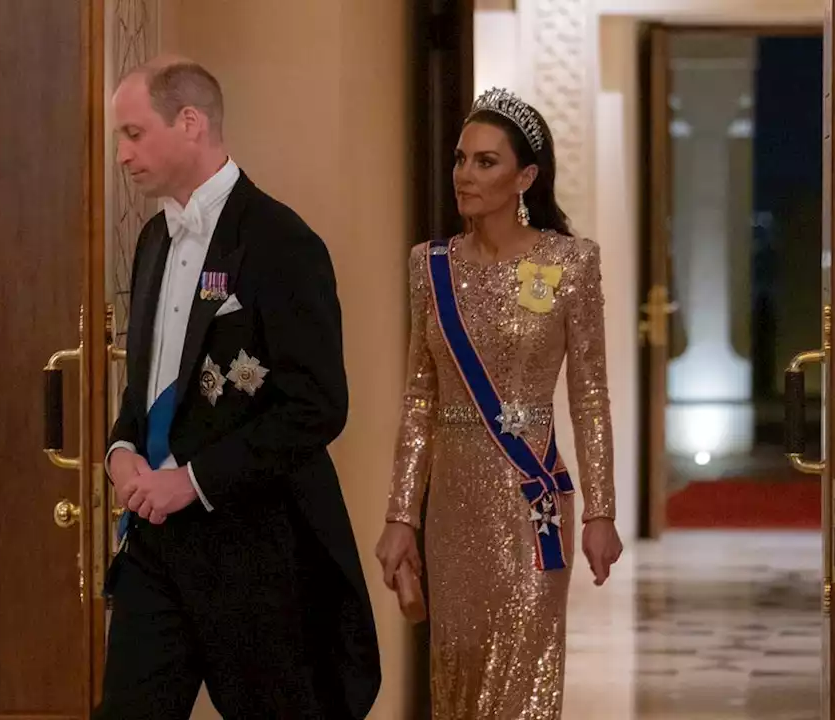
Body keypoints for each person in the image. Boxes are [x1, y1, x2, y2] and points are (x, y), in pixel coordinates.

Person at [97, 56, 381, 720]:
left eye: (134, 133)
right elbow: (148, 384)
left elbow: (317, 405)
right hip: (156, 548)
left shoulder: (282, 242)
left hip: (253, 552)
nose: (121, 154)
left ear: (190, 122)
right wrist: (121, 452)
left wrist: (191, 479)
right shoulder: (151, 243)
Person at [375, 87, 623, 719]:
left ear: (526, 177)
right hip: (452, 507)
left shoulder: (571, 263)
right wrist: (402, 514)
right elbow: (419, 394)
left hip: (531, 497)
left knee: (521, 684)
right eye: (461, 158)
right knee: (457, 681)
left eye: (486, 161)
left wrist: (602, 511)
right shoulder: (429, 266)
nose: (465, 174)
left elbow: (590, 394)